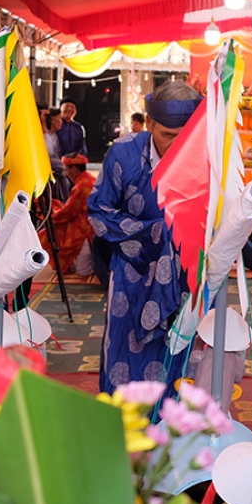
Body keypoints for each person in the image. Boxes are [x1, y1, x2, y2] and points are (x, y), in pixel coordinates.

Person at [88, 80, 201, 393]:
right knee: (123, 353)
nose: (176, 146)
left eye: (184, 137)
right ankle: (122, 432)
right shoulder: (122, 153)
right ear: (149, 123)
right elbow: (98, 212)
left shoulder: (204, 157)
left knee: (178, 356)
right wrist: (152, 235)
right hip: (132, 272)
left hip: (184, 274)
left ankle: (172, 433)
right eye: (167, 136)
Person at [50, 154, 97, 275]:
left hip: (85, 227)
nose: (66, 174)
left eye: (67, 170)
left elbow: (68, 212)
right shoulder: (89, 178)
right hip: (92, 222)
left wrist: (53, 212)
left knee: (83, 271)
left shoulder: (81, 186)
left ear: (74, 169)